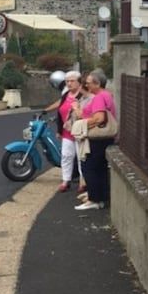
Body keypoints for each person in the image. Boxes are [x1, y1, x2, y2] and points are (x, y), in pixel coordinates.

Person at [73, 69, 116, 211]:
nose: (86, 85)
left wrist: (82, 125)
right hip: (106, 138)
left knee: (89, 167)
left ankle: (94, 199)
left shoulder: (98, 98)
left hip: (97, 138)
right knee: (101, 168)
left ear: (97, 84)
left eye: (88, 83)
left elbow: (99, 118)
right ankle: (101, 197)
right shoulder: (107, 95)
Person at [42, 70, 82, 194]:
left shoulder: (82, 96)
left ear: (79, 82)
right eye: (67, 81)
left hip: (80, 132)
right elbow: (60, 113)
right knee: (66, 156)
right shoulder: (66, 95)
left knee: (81, 158)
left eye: (72, 81)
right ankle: (66, 181)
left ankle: (83, 182)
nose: (69, 84)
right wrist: (59, 130)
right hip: (67, 132)